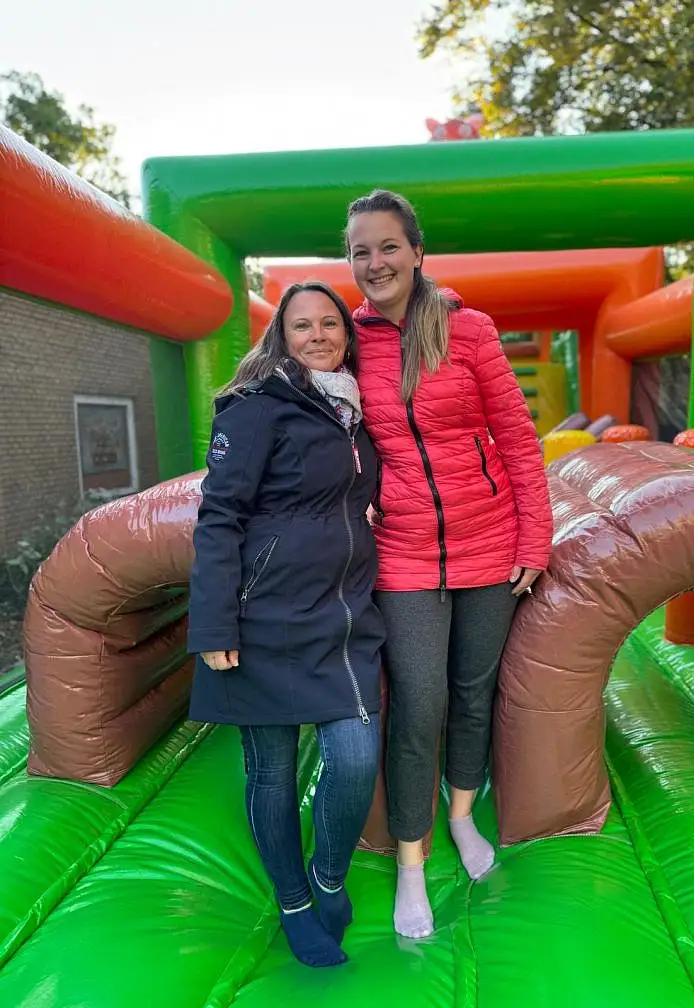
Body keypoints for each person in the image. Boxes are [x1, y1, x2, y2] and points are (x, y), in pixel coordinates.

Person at [344, 190, 553, 939]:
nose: (374, 263)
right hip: (402, 552)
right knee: (419, 703)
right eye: (360, 251)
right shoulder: (347, 340)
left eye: (387, 246)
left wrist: (535, 540)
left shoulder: (469, 330)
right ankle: (410, 861)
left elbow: (520, 440)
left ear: (417, 251)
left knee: (473, 691)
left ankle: (462, 815)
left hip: (490, 541)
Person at [186, 282, 385, 969]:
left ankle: (330, 875)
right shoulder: (255, 408)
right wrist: (213, 626)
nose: (319, 334)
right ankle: (296, 901)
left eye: (330, 323)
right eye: (302, 325)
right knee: (270, 772)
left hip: (343, 616)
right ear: (282, 336)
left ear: (346, 333)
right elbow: (219, 519)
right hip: (263, 616)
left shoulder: (352, 409)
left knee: (356, 759)